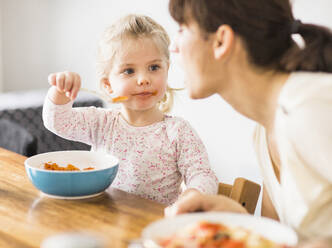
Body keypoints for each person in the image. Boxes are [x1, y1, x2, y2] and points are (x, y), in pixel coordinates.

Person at [164, 0, 332, 245]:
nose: (173, 46)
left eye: (182, 29)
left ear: (221, 41)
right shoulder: (265, 131)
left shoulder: (310, 108)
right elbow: (281, 241)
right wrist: (237, 220)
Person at [42, 14, 218, 205]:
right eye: (129, 71)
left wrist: (193, 195)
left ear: (167, 70)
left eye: (154, 67)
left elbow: (203, 175)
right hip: (105, 223)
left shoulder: (178, 132)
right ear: (108, 85)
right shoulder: (101, 123)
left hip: (155, 228)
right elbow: (57, 121)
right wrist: (59, 90)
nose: (143, 79)